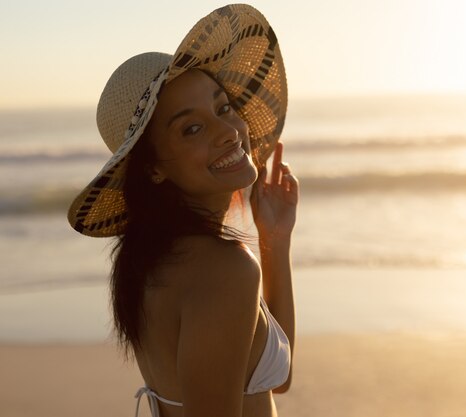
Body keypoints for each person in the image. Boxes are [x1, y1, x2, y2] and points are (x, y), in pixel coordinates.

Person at [67, 5, 297, 417]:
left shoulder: (152, 261)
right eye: (192, 128)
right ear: (153, 168)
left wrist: (275, 242)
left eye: (223, 107)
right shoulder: (223, 270)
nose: (228, 131)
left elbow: (273, 379)